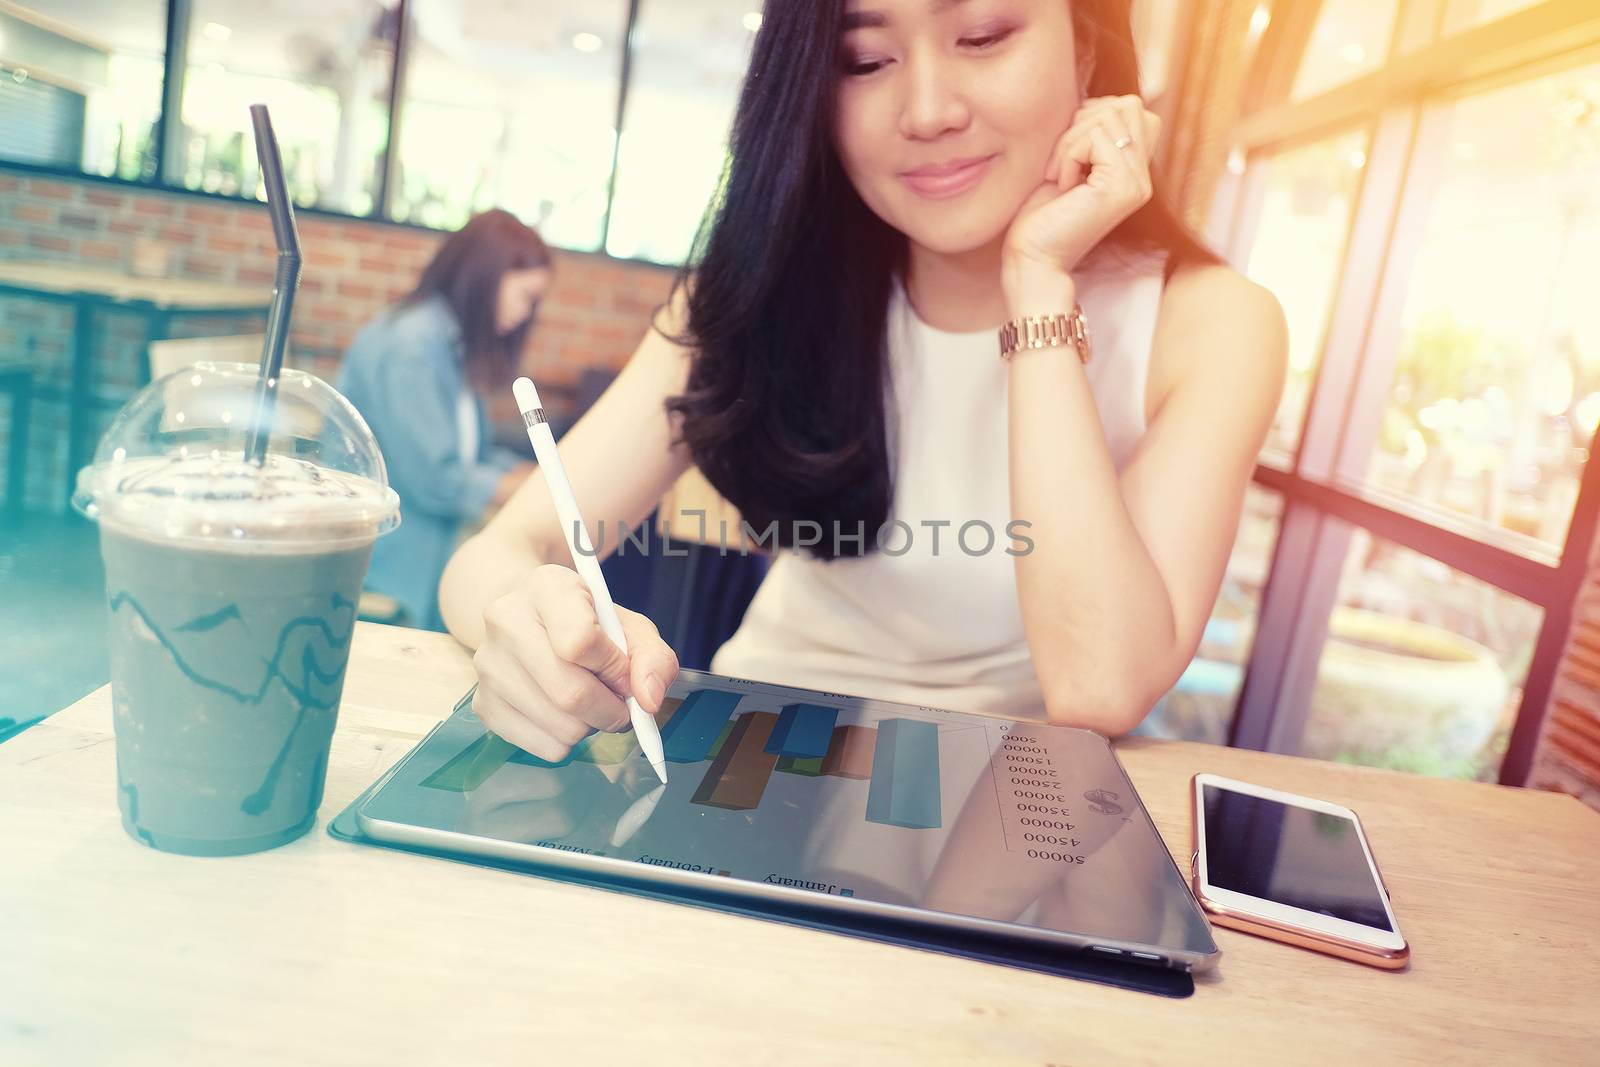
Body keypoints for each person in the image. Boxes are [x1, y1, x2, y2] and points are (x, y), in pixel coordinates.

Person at [438, 0, 1287, 763]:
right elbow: (500, 554)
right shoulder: (764, 291)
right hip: (755, 758)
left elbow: (1099, 683)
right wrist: (527, 623)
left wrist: (1037, 282)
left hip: (1009, 802)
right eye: (865, 61)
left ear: (1090, 51)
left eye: (983, 36)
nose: (927, 111)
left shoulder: (1211, 325)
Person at [338, 209, 550, 630]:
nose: (527, 314)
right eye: (525, 296)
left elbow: (471, 451)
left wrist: (527, 473)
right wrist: (524, 484)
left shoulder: (444, 340)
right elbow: (436, 481)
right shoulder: (412, 347)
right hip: (393, 557)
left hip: (428, 542)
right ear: (487, 277)